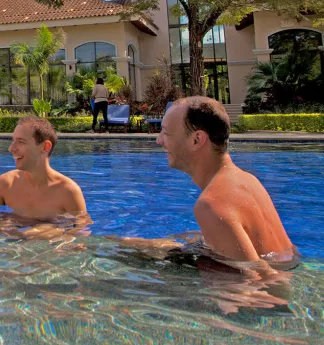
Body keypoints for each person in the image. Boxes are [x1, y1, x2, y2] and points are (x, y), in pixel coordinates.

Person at [124, 97, 297, 271]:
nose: (159, 140)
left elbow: (258, 283)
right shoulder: (247, 180)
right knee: (139, 246)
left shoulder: (211, 204)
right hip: (288, 270)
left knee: (121, 258)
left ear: (197, 140)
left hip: (267, 290)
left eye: (166, 133)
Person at [0, 116, 87, 220]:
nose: (11, 149)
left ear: (45, 147)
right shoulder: (6, 184)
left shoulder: (68, 191)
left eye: (21, 142)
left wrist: (47, 232)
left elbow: (81, 231)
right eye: (13, 141)